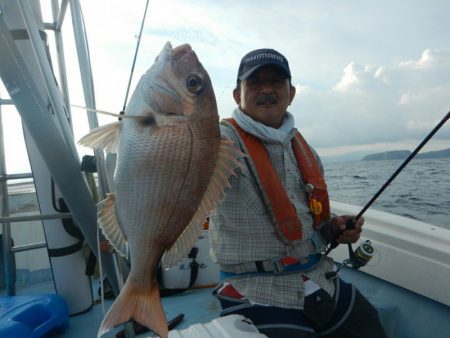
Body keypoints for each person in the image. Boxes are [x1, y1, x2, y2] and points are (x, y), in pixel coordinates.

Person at [209, 48, 387, 338]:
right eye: (254, 83)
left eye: (276, 82)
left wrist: (333, 229)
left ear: (290, 93)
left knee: (368, 324)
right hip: (253, 288)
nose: (266, 89)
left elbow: (310, 219)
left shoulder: (304, 150)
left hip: (319, 277)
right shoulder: (219, 142)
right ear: (236, 95)